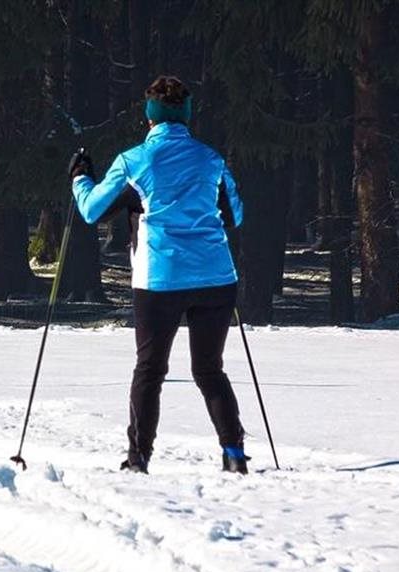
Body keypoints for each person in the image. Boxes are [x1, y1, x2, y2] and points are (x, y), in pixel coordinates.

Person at [69, 75, 249, 474]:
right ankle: (234, 455)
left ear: (150, 117)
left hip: (159, 279)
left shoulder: (134, 160)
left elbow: (91, 210)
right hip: (216, 277)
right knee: (209, 369)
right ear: (185, 116)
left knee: (150, 369)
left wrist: (80, 177)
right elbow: (236, 214)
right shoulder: (211, 159)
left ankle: (139, 458)